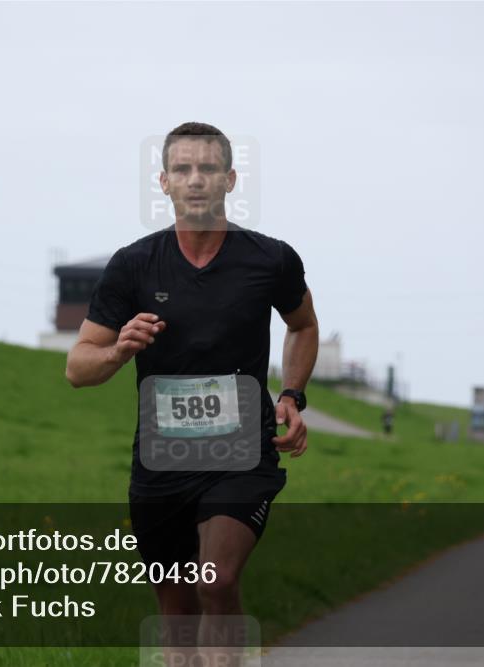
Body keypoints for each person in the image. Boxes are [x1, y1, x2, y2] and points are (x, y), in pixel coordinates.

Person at [66, 122, 319, 662]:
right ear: (164, 182)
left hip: (241, 453)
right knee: (177, 611)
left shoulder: (270, 260)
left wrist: (292, 395)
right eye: (183, 169)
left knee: (216, 579)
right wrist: (118, 351)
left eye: (208, 169)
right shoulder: (133, 265)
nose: (196, 180)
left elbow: (303, 325)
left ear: (230, 179)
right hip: (162, 461)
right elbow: (78, 367)